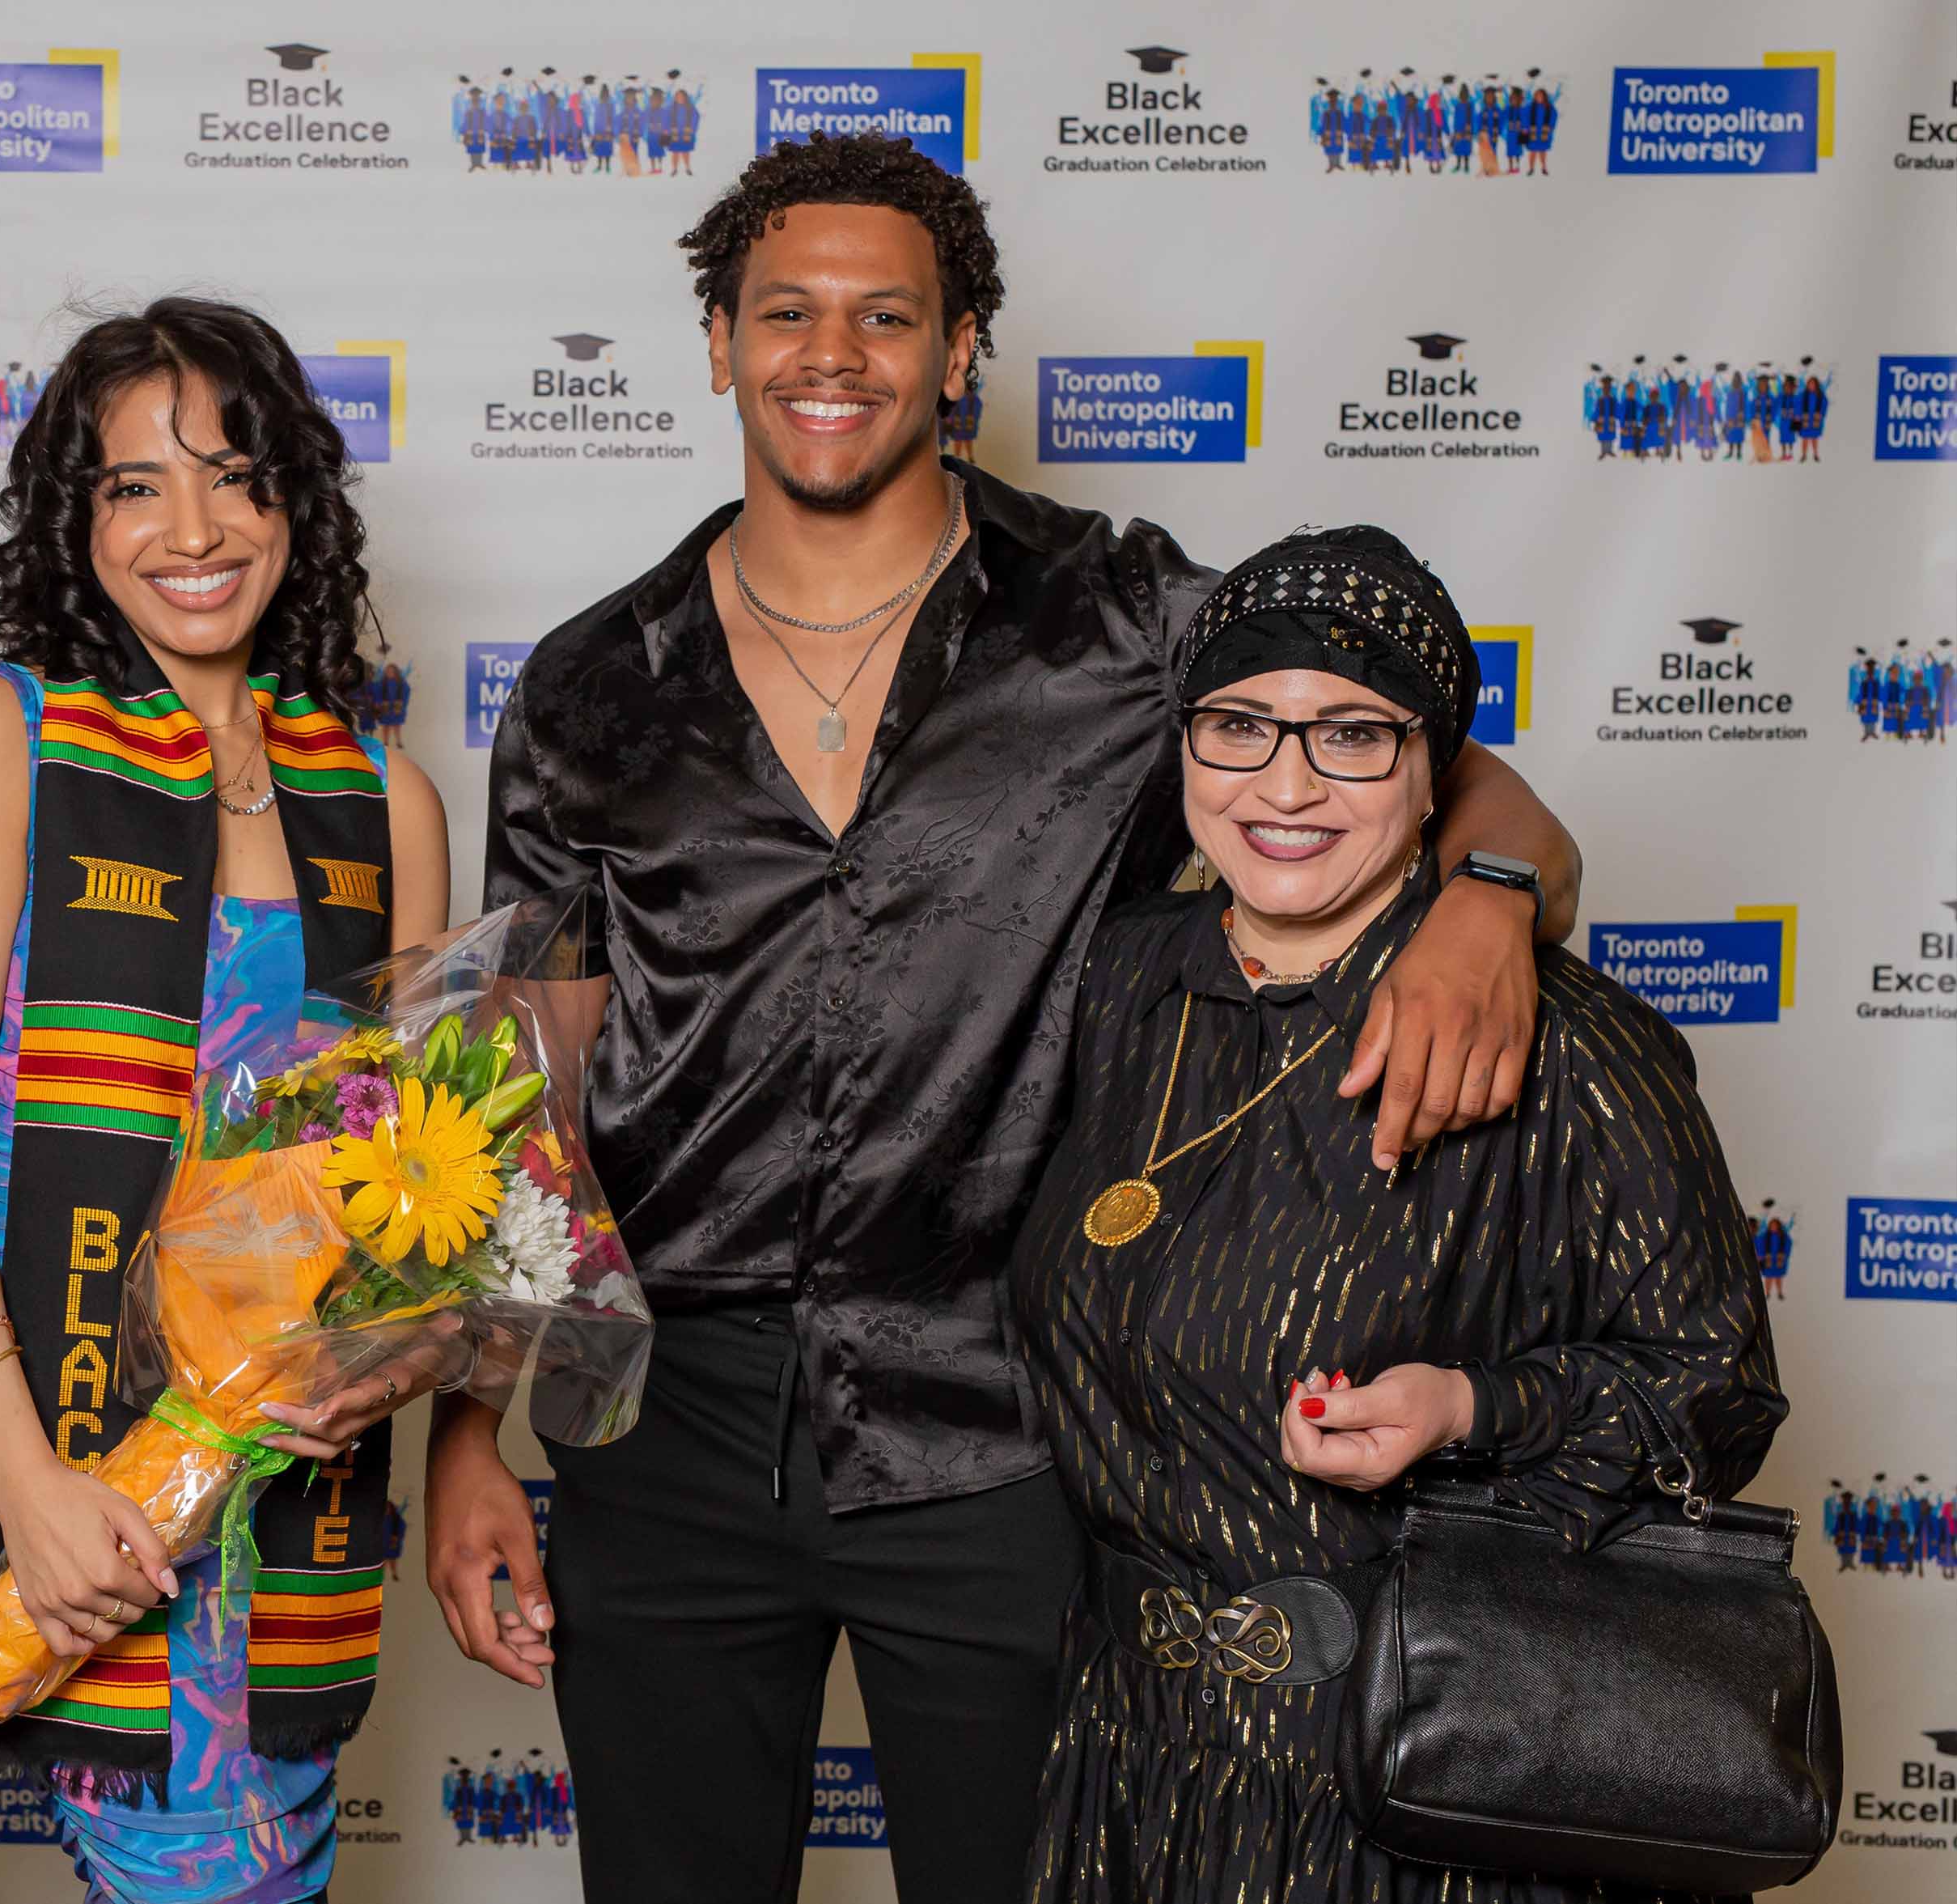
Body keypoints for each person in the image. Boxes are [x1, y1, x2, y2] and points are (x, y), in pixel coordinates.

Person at [434, 131, 1582, 1903]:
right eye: (786, 311)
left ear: (960, 346)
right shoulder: (592, 679)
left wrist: (1484, 906)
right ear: (719, 337)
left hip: (1015, 1418)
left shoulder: (1120, 619)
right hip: (657, 1420)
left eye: (885, 314)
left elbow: (1461, 782)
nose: (833, 353)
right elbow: (531, 1107)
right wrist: (462, 1441)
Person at [1007, 524, 1783, 1904]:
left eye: (1353, 735)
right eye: (1238, 724)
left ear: (1437, 774)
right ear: (1182, 742)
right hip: (1132, 1762)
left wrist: (1473, 1410)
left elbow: (1712, 1392)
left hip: (1414, 1785)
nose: (1285, 782)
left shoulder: (1564, 1043)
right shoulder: (1116, 987)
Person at [0, 295, 457, 1904]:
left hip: (289, 1460)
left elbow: (418, 1186)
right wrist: (22, 1474)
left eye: (234, 474)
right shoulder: (3, 741)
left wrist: (397, 1347)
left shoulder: (381, 794)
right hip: (63, 1438)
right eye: (135, 485)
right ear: (74, 522)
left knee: (275, 1861)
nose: (193, 529)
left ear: (297, 502)